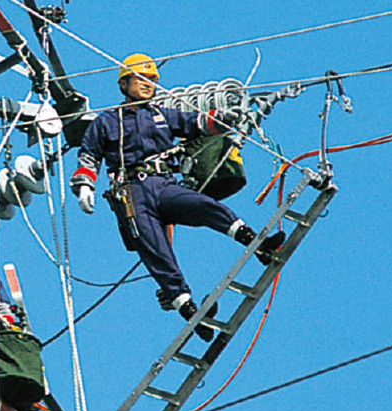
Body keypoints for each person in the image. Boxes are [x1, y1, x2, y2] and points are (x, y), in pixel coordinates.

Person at [70, 53, 285, 342]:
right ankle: (190, 310)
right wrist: (85, 185)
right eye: (142, 79)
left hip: (163, 184)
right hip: (132, 193)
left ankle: (256, 243)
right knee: (157, 252)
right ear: (124, 84)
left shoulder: (160, 115)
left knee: (205, 206)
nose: (149, 84)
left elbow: (195, 123)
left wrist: (222, 119)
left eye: (153, 80)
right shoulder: (107, 121)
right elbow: (89, 154)